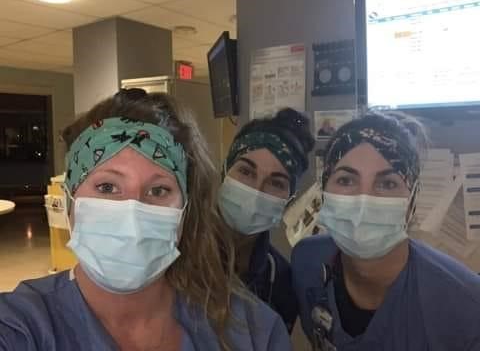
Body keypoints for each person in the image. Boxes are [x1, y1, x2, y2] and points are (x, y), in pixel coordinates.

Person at [0, 89, 292, 351]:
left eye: (158, 190)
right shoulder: (22, 325)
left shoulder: (251, 331)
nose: (132, 211)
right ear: (70, 201)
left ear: (184, 212)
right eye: (107, 187)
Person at [292, 111, 480, 350]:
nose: (364, 200)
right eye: (346, 180)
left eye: (387, 184)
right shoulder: (307, 263)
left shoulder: (466, 308)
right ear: (323, 193)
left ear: (411, 203)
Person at [218, 108, 315, 333]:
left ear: (289, 200)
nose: (256, 190)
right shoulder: (179, 254)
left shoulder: (281, 282)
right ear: (225, 171)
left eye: (276, 183)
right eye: (246, 172)